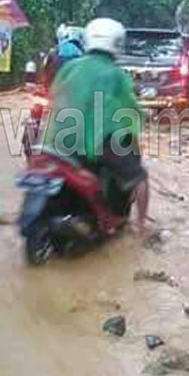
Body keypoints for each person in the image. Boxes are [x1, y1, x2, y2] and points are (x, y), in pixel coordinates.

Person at [44, 18, 149, 235]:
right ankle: (141, 227)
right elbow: (129, 109)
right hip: (102, 142)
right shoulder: (116, 74)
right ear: (117, 43)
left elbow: (54, 94)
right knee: (139, 177)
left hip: (61, 139)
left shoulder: (70, 66)